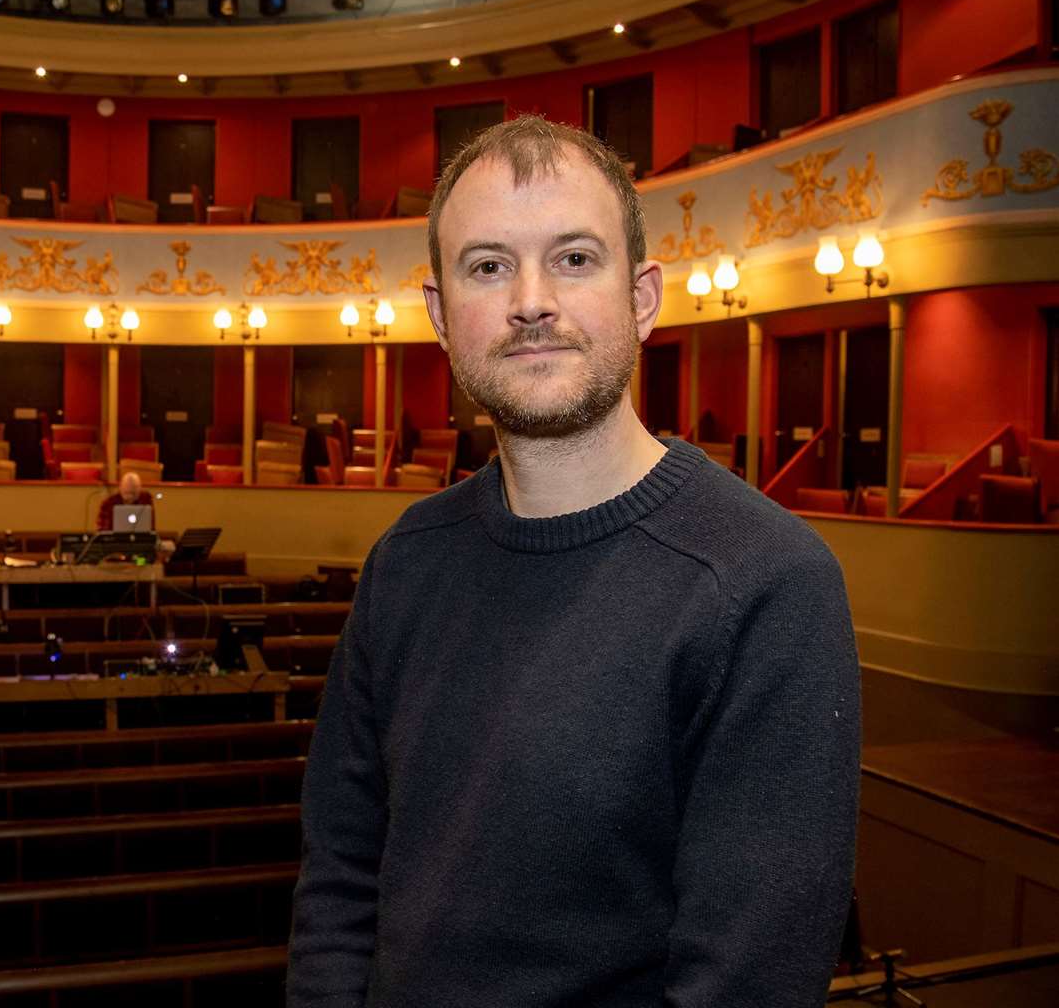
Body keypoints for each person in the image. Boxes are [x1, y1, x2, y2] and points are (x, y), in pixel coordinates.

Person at [287, 116, 860, 1008]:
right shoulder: (404, 563)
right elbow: (339, 888)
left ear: (641, 297)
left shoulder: (767, 581)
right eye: (487, 266)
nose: (530, 300)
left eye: (574, 258)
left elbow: (745, 984)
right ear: (441, 316)